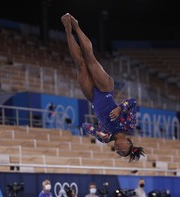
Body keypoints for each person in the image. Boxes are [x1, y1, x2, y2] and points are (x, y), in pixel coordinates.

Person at [61, 13, 144, 162]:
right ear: (129, 143)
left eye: (118, 152)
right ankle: (76, 26)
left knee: (79, 64)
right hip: (106, 89)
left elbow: (84, 125)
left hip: (92, 97)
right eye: (123, 150)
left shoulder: (105, 138)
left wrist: (97, 133)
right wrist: (119, 108)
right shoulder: (129, 125)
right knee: (88, 57)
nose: (118, 149)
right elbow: (132, 101)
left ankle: (67, 29)